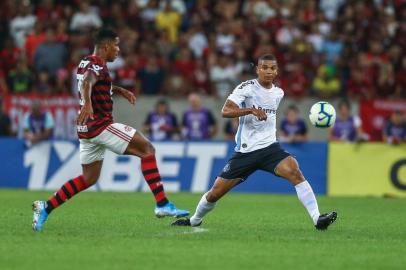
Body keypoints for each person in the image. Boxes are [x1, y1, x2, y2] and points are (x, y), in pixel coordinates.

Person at [32, 29, 188, 232]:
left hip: (85, 130)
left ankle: (45, 207)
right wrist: (88, 103)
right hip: (100, 126)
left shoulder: (85, 62)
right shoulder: (97, 64)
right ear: (106, 47)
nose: (118, 50)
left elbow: (96, 82)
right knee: (147, 149)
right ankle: (162, 204)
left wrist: (118, 89)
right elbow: (89, 81)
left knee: (89, 178)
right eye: (116, 45)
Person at [172, 54, 337, 230]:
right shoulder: (246, 88)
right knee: (215, 193)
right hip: (246, 151)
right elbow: (225, 111)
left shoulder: (278, 93)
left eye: (272, 68)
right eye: (264, 67)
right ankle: (195, 220)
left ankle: (317, 218)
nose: (268, 71)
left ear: (276, 71)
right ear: (257, 69)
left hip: (270, 149)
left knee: (294, 171)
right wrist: (250, 110)